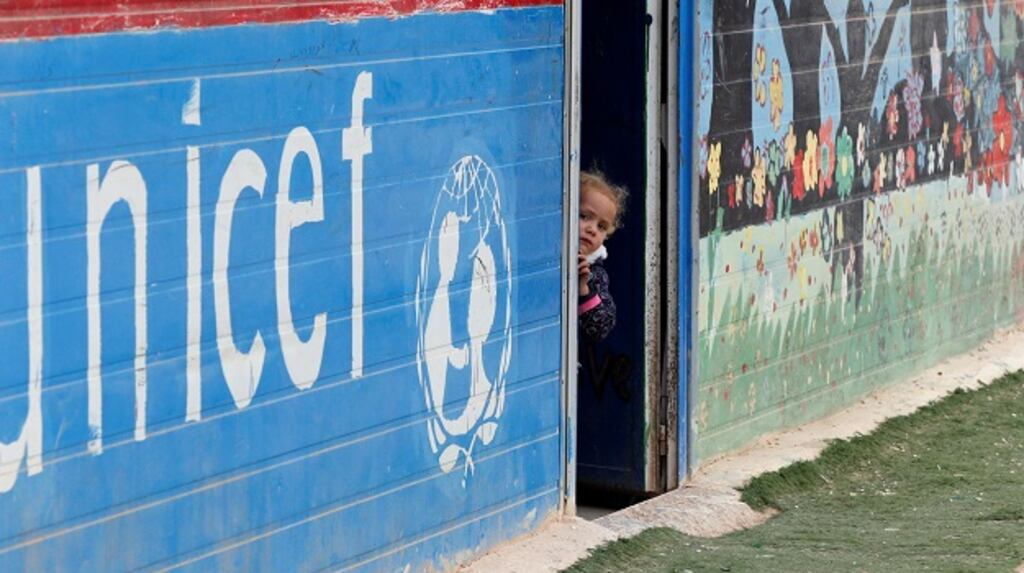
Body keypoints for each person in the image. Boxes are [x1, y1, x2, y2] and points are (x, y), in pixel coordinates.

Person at [577, 170, 626, 342]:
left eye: (601, 226)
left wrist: (583, 289)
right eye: (583, 216)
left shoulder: (595, 275)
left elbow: (600, 328)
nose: (592, 230)